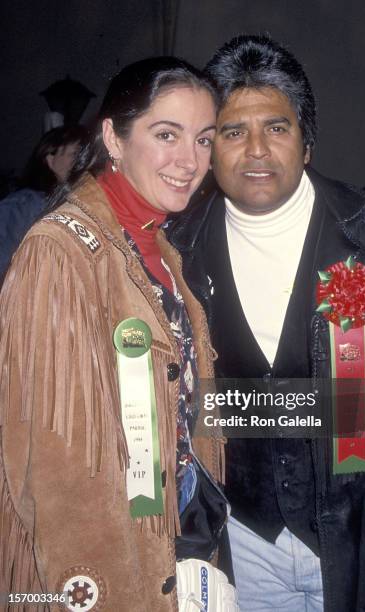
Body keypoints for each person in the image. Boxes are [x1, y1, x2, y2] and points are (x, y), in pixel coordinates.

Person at [165, 35, 365, 612]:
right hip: (240, 541)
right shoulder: (177, 247)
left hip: (364, 540)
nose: (257, 150)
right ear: (210, 150)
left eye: (278, 127)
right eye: (234, 132)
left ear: (307, 142)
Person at [0, 57, 228, 612]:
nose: (189, 161)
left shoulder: (161, 246)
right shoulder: (61, 251)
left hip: (167, 551)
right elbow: (58, 479)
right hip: (104, 572)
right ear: (114, 137)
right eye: (166, 134)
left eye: (204, 139)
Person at [0, 125, 86, 281]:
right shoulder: (23, 204)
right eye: (75, 154)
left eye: (86, 155)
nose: (83, 162)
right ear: (50, 160)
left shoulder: (84, 207)